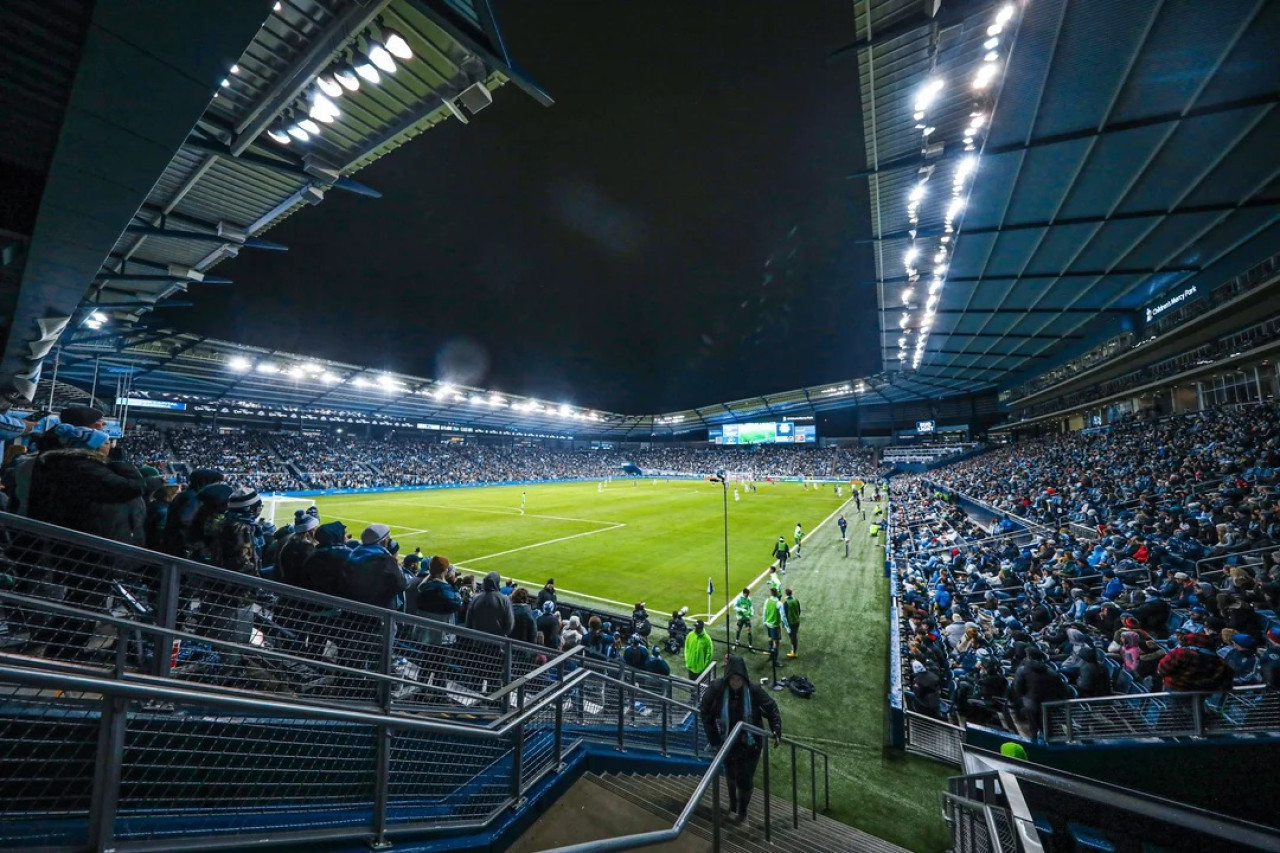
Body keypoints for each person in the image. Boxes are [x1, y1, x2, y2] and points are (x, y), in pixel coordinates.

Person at [699, 655, 782, 824]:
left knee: (745, 780)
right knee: (730, 774)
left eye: (739, 679)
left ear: (744, 678)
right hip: (727, 742)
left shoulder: (754, 690)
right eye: (733, 679)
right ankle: (733, 806)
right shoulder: (717, 688)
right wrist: (713, 737)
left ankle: (742, 811)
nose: (736, 682)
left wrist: (776, 729)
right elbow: (705, 710)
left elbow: (771, 707)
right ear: (727, 677)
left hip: (750, 745)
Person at [1012, 650, 1066, 741]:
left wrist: (1024, 697)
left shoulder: (1022, 670)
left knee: (1034, 725)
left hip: (1031, 703)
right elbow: (1061, 689)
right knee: (1047, 725)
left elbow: (1018, 689)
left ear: (1029, 658)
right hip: (1048, 704)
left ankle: (1035, 741)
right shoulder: (1051, 671)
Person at [466, 571, 515, 637]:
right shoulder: (504, 600)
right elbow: (509, 625)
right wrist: (502, 634)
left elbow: (468, 622)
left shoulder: (476, 599)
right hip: (497, 641)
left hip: (478, 639)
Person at [763, 587, 784, 668]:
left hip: (768, 623)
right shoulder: (779, 603)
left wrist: (764, 622)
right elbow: (783, 616)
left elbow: (764, 612)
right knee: (776, 643)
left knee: (770, 639)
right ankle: (775, 661)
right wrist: (784, 624)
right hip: (775, 625)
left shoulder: (767, 601)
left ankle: (770, 655)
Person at [783, 589, 801, 658]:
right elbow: (799, 610)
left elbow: (785, 614)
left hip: (791, 623)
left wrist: (785, 624)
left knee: (792, 637)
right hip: (797, 621)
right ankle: (793, 650)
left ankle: (794, 652)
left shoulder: (786, 603)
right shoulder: (796, 600)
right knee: (794, 636)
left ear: (786, 594)